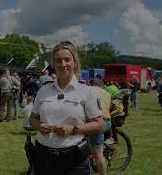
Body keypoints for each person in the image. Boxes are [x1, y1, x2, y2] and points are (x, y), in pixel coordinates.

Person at [29, 41, 104, 174]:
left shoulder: (86, 91)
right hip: (43, 158)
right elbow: (32, 119)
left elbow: (99, 125)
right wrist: (39, 126)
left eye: (67, 60)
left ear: (74, 62)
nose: (63, 64)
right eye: (58, 61)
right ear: (53, 64)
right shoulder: (44, 90)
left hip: (74, 160)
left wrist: (74, 129)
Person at [88, 78, 112, 175]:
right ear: (101, 85)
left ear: (90, 84)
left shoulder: (88, 90)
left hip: (96, 123)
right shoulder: (107, 94)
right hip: (107, 122)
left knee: (98, 154)